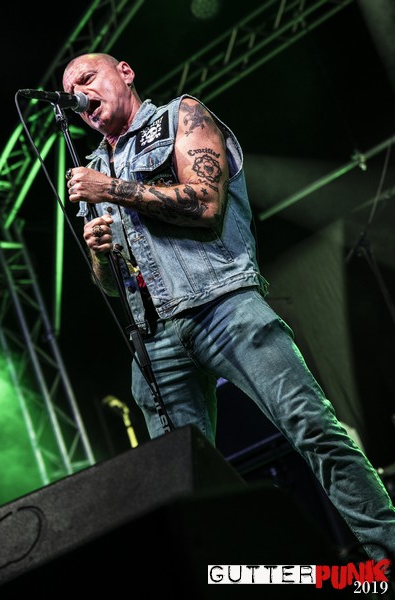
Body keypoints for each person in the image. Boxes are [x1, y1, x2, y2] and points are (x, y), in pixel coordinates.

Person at [62, 52, 395, 566]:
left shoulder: (181, 116)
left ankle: (387, 554)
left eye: (88, 79)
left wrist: (114, 191)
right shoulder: (92, 170)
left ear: (125, 72)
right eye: (72, 92)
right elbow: (110, 287)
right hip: (154, 338)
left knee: (312, 429)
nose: (80, 95)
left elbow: (205, 203)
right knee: (182, 488)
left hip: (223, 305)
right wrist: (101, 255)